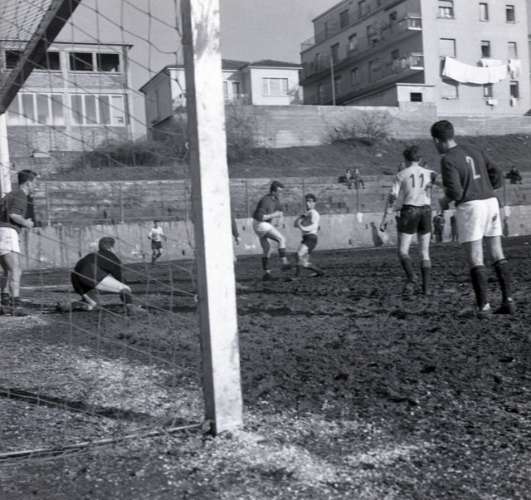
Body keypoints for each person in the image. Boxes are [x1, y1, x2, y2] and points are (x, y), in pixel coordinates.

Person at [430, 119, 514, 317]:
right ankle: (508, 300)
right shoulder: (473, 149)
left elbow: (456, 192)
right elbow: (497, 173)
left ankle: (483, 306)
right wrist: (488, 187)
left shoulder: (448, 159)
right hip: (491, 202)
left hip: (471, 206)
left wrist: (444, 201)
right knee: (497, 252)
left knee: (475, 256)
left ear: (437, 140)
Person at [380, 146, 437, 296]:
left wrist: (386, 217)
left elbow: (392, 197)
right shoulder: (431, 173)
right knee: (425, 252)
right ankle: (426, 289)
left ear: (405, 160)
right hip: (426, 211)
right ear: (420, 159)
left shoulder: (401, 174)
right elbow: (443, 183)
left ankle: (412, 277)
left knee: (402, 251)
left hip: (410, 211)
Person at [60, 236, 142, 314]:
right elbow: (119, 277)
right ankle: (131, 308)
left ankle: (68, 306)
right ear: (111, 247)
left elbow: (77, 269)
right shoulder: (111, 257)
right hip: (91, 273)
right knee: (125, 288)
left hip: (75, 279)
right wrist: (127, 284)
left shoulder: (91, 255)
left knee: (94, 305)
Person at [0, 169, 38, 316]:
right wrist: (26, 223)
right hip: (7, 232)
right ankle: (16, 305)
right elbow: (14, 215)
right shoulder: (21, 195)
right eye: (35, 183)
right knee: (15, 270)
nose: (36, 186)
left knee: (6, 270)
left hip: (2, 231)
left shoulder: (9, 195)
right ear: (28, 183)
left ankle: (4, 303)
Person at [252, 180, 291, 280]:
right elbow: (260, 217)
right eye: (279, 191)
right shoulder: (265, 200)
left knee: (267, 249)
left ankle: (267, 273)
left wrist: (280, 220)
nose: (281, 193)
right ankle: (284, 262)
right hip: (260, 223)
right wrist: (274, 215)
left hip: (262, 225)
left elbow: (280, 212)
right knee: (281, 239)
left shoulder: (276, 200)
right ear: (273, 192)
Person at [293, 193, 324, 278]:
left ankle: (297, 276)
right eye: (306, 201)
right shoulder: (306, 213)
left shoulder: (314, 213)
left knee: (298, 255)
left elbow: (314, 226)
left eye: (310, 201)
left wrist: (302, 227)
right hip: (306, 238)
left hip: (311, 238)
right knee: (303, 262)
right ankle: (320, 272)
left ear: (314, 203)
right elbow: (295, 224)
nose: (307, 203)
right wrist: (301, 217)